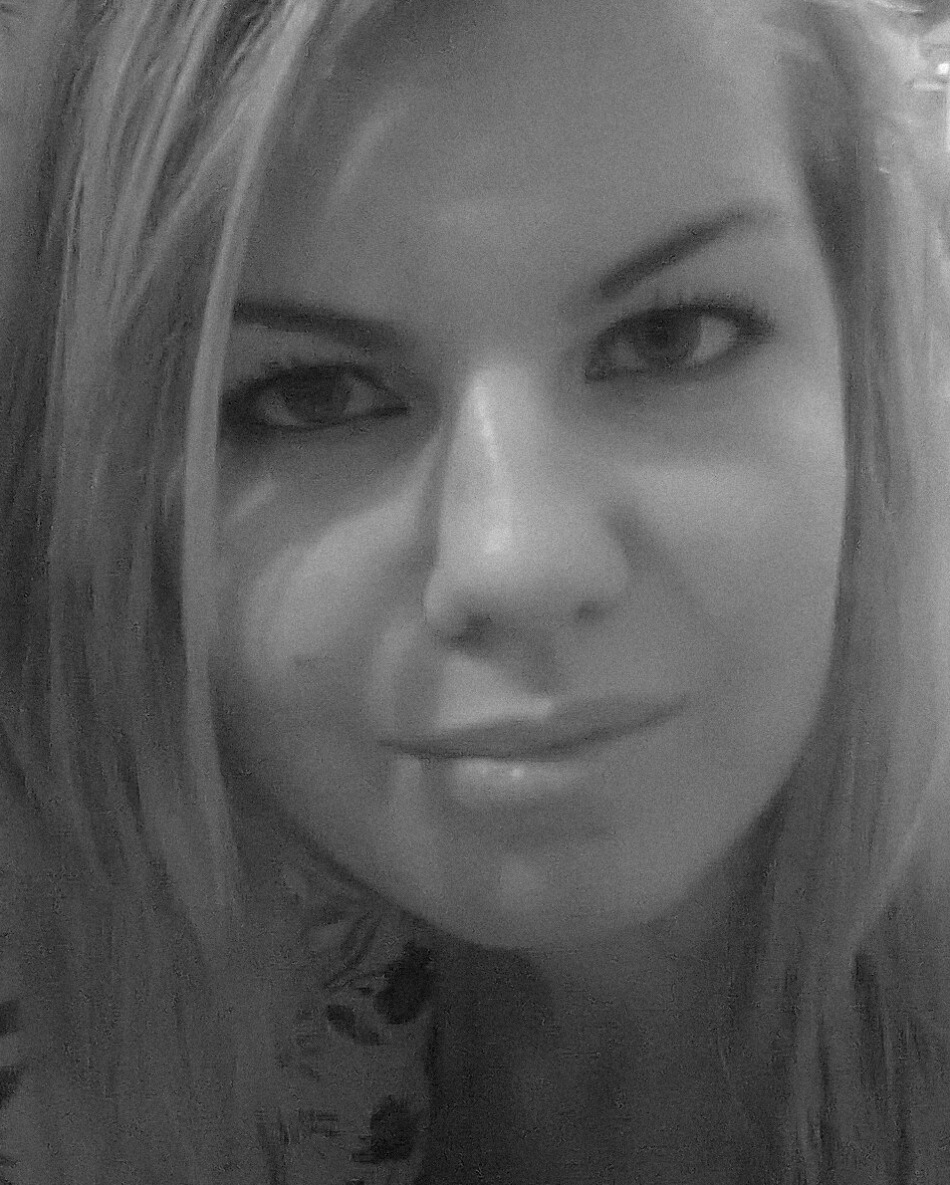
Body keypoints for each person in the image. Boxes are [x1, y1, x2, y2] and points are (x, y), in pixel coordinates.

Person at [0, 0, 948, 1181]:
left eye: (670, 337)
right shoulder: (138, 1026)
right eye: (312, 397)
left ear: (862, 356)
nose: (517, 562)